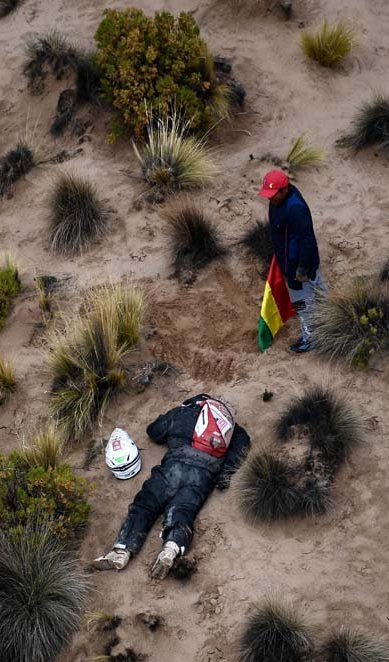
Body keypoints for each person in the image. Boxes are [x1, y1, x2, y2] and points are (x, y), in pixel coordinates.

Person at [93, 394, 251, 579]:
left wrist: (174, 413)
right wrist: (225, 473)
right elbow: (242, 444)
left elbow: (154, 431)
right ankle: (171, 548)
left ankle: (122, 550)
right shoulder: (232, 429)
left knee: (145, 504)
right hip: (202, 475)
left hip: (172, 468)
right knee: (182, 510)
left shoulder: (181, 413)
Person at [258, 168, 327, 353]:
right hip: (290, 260)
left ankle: (311, 338)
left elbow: (307, 240)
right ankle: (330, 319)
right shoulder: (278, 201)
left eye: (273, 194)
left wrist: (302, 269)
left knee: (302, 301)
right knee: (318, 291)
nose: (270, 198)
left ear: (284, 190)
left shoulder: (295, 209)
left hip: (299, 266)